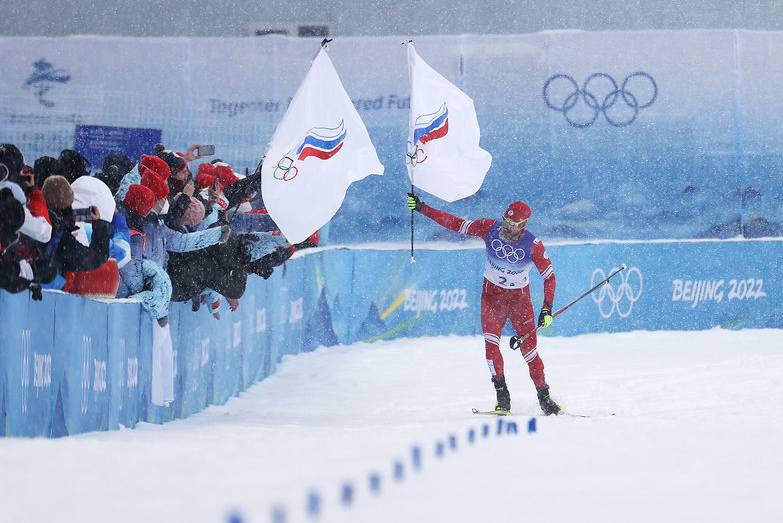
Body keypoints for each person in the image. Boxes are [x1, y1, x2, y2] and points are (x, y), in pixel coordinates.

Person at [406, 193, 561, 415]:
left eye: (513, 224)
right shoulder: (489, 228)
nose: (507, 227)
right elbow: (456, 224)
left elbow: (550, 277)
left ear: (523, 225)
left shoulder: (533, 244)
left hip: (519, 302)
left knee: (530, 353)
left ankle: (545, 399)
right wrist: (423, 208)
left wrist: (547, 308)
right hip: (492, 298)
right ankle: (503, 399)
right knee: (491, 347)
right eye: (506, 221)